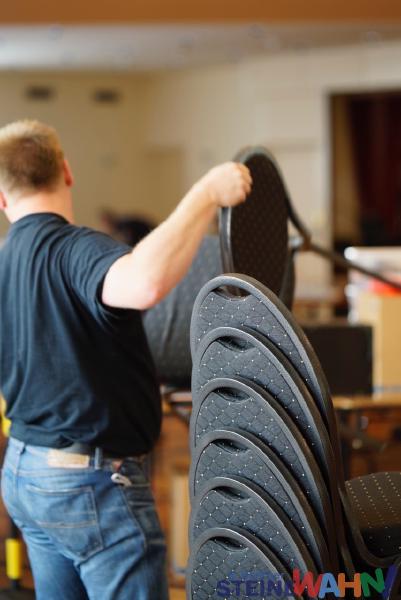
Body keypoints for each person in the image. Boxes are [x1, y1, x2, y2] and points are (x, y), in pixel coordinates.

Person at [0, 120, 251, 600]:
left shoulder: (5, 260)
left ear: (1, 197)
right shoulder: (76, 248)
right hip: (88, 481)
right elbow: (144, 283)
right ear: (67, 172)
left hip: (25, 472)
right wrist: (205, 194)